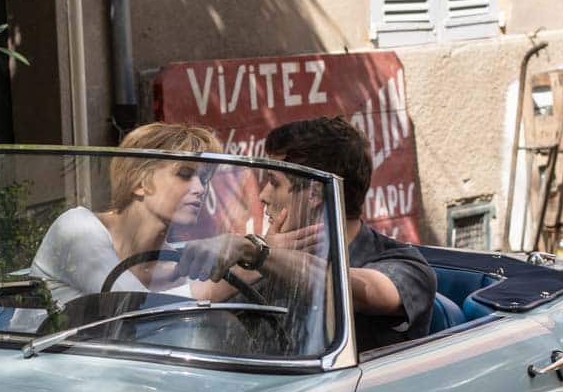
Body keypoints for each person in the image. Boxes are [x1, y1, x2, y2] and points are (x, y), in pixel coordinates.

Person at [176, 115, 437, 351]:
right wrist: (262, 255)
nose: (263, 195)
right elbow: (193, 300)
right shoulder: (269, 254)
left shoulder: (405, 265)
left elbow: (351, 288)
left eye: (274, 182)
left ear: (313, 193)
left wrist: (256, 253)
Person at [29, 122, 222, 308]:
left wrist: (235, 250)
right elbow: (131, 307)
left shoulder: (176, 264)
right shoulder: (77, 228)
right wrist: (217, 287)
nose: (200, 189)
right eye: (185, 174)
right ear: (139, 182)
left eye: (204, 179)